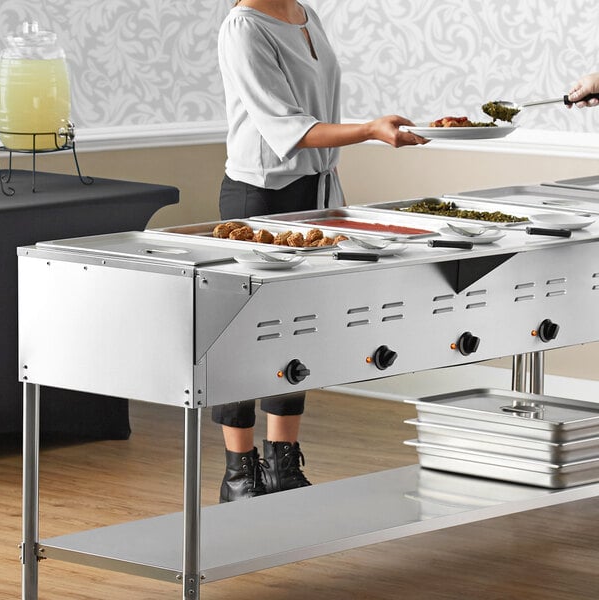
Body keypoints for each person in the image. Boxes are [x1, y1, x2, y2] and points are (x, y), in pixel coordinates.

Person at [215, 0, 427, 503]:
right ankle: (239, 474)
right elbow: (290, 128)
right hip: (260, 195)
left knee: (299, 328)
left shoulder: (304, 14)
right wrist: (372, 130)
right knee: (245, 338)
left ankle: (281, 465)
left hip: (315, 191)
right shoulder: (243, 27)